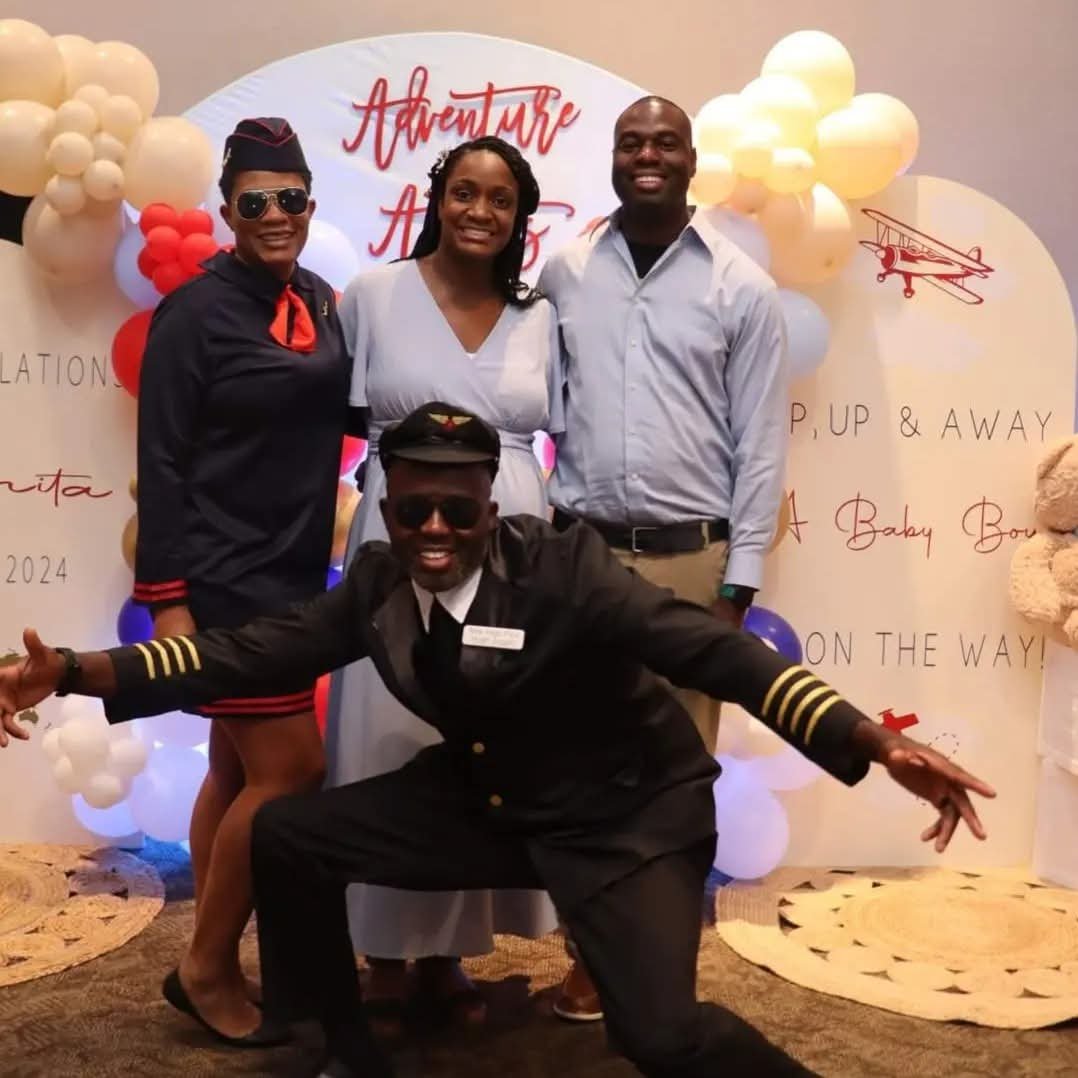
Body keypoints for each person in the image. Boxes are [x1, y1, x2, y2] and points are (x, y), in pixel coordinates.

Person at [0, 403, 995, 1078]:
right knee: (287, 834)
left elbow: (709, 652)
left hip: (626, 814)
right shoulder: (382, 583)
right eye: (411, 505)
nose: (434, 525)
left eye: (458, 506)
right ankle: (335, 1043)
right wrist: (75, 671)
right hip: (489, 800)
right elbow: (245, 652)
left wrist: (866, 738)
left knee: (661, 1035)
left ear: (492, 504)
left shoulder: (566, 571)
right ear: (385, 506)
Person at [538, 94, 787, 1018]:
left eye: (665, 143)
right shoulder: (564, 273)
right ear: (613, 157)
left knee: (678, 772)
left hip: (692, 563)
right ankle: (592, 956)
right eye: (631, 142)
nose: (648, 155)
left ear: (691, 160)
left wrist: (739, 582)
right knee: (579, 757)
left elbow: (760, 444)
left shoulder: (739, 287)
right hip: (583, 555)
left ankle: (660, 959)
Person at [326, 136, 561, 1033]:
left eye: (500, 200)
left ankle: (453, 953)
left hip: (509, 544)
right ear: (439, 198)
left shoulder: (540, 317)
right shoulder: (375, 296)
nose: (480, 212)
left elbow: (556, 431)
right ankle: (383, 952)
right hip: (402, 534)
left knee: (479, 735)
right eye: (465, 192)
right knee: (387, 727)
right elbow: (343, 418)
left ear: (518, 215)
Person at [132, 117, 350, 1044]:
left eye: (291, 199)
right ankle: (207, 964)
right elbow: (163, 462)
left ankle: (216, 950)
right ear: (225, 210)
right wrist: (169, 600)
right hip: (225, 582)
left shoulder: (323, 299)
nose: (275, 215)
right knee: (292, 768)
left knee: (235, 764)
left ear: (309, 204)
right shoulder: (194, 314)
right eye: (255, 201)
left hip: (298, 571)